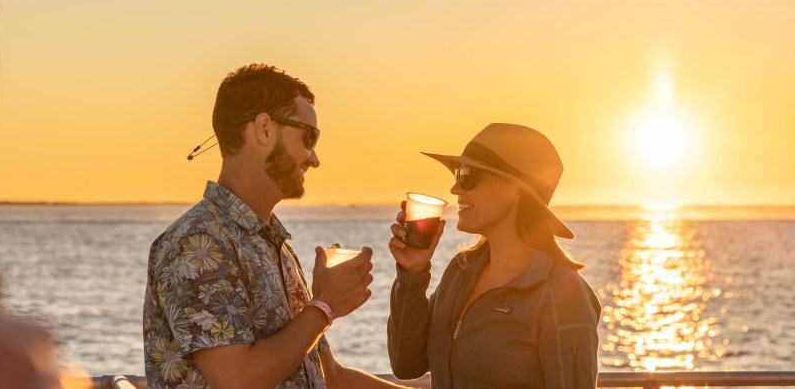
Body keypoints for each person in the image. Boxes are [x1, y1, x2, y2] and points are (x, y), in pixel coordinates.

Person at [144, 63, 414, 389]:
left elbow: (331, 377)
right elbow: (237, 381)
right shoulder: (199, 242)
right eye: (309, 137)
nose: (314, 159)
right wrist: (323, 307)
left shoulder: (271, 242)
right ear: (265, 129)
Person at [387, 123, 601, 388]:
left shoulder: (562, 293)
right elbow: (405, 364)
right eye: (456, 175)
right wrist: (412, 274)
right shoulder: (460, 273)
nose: (455, 189)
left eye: (467, 175)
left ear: (515, 190)